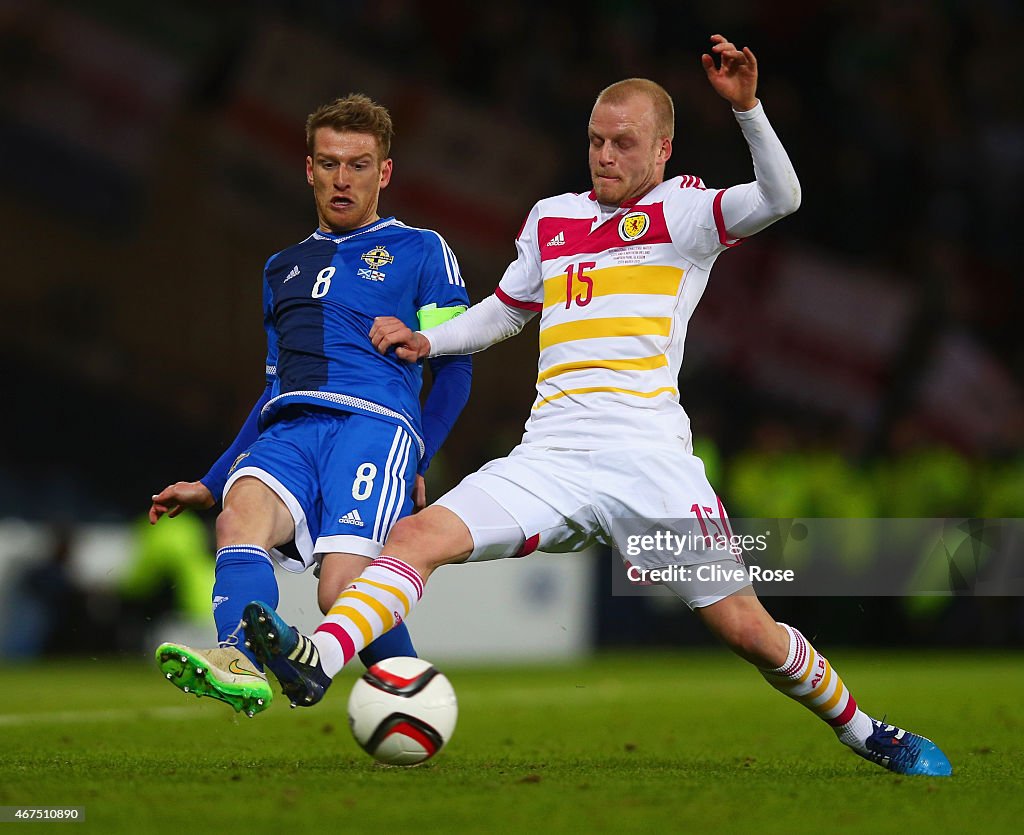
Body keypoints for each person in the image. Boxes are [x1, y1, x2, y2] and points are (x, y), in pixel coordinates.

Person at [242, 38, 952, 776]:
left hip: (651, 466)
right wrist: (431, 340)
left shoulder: (688, 215)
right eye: (594, 141)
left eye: (623, 143)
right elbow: (507, 310)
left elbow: (782, 198)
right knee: (417, 535)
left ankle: (866, 729)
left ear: (662, 149)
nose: (605, 155)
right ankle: (317, 659)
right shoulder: (552, 217)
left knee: (748, 629)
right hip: (549, 456)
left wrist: (747, 109)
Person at [149, 94, 472, 717]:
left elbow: (455, 367)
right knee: (236, 522)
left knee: (340, 591)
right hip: (290, 425)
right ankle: (239, 663)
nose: (342, 179)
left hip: (373, 425)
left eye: (358, 165)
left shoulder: (423, 249)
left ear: (385, 173)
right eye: (329, 164)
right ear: (308, 169)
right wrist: (212, 481)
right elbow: (273, 385)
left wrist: (419, 457)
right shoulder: (281, 269)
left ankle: (412, 702)